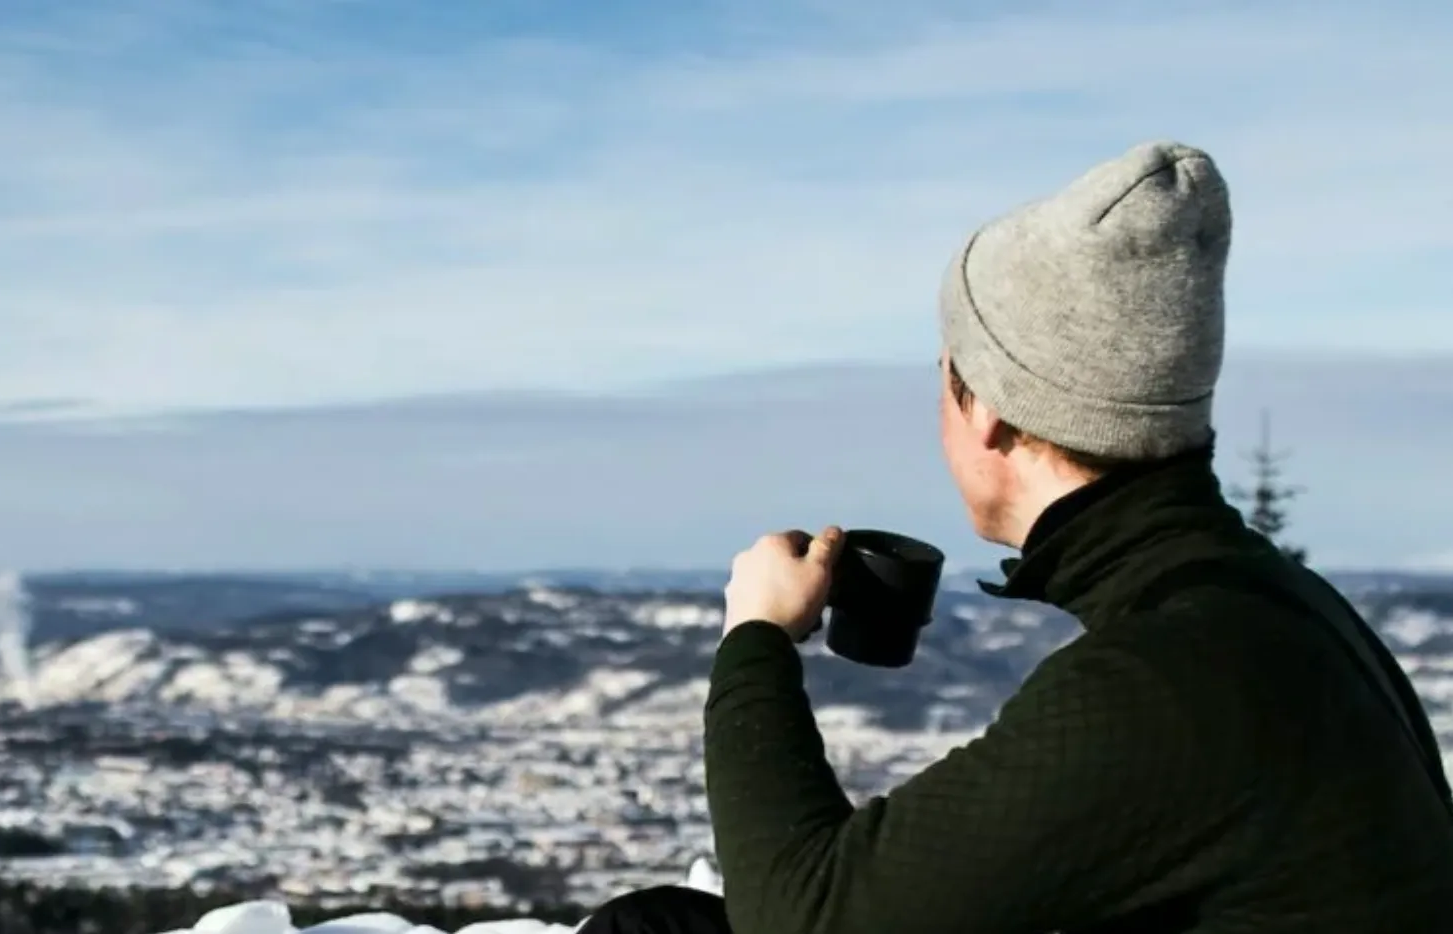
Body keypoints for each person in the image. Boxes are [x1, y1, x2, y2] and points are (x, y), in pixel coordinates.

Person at [581, 141, 1453, 934]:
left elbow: (803, 922)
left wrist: (758, 639)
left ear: (989, 412)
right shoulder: (1275, 609)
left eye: (944, 378)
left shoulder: (1158, 685)